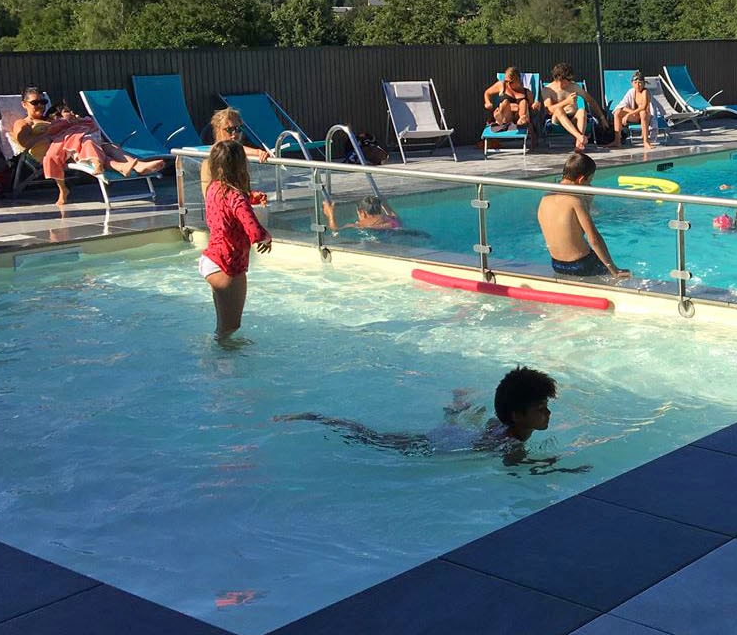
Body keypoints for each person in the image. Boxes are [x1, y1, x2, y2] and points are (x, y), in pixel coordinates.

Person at [276, 367, 588, 473]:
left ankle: (457, 405)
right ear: (518, 416)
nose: (548, 413)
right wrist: (558, 466)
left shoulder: (503, 426)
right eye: (541, 408)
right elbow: (514, 465)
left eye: (546, 407)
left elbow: (489, 427)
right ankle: (317, 418)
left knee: (452, 422)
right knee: (370, 438)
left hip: (451, 437)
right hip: (431, 447)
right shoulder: (513, 444)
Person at [10, 88, 167, 205]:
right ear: (24, 104)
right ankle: (127, 166)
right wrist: (48, 133)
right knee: (89, 145)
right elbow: (25, 143)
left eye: (43, 102)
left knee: (109, 147)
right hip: (57, 152)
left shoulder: (51, 118)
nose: (40, 105)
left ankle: (137, 165)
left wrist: (71, 121)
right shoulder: (23, 123)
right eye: (35, 102)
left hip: (73, 143)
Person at [201, 140, 271, 342]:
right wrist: (267, 238)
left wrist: (252, 198)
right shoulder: (237, 198)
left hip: (212, 260)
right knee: (230, 328)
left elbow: (228, 205)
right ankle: (218, 361)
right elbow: (255, 231)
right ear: (241, 165)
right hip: (228, 266)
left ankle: (217, 356)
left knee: (223, 328)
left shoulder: (213, 188)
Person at [538, 152, 630, 279]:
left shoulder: (546, 197)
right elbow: (594, 239)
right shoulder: (575, 200)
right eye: (589, 181)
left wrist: (587, 201)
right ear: (581, 179)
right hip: (581, 264)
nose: (590, 185)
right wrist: (614, 270)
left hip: (557, 264)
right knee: (626, 276)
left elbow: (573, 233)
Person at [200, 107, 271, 198]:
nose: (234, 133)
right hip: (221, 203)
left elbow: (241, 192)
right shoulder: (213, 156)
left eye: (237, 129)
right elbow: (210, 197)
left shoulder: (237, 154)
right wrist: (257, 152)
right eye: (229, 129)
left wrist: (251, 196)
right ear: (218, 130)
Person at [540, 63, 591, 152]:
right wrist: (567, 101)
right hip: (557, 120)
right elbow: (549, 110)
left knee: (582, 111)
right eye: (568, 79)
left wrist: (602, 117)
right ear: (560, 78)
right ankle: (580, 137)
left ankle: (579, 143)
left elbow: (590, 100)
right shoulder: (547, 90)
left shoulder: (574, 86)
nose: (570, 81)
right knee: (559, 110)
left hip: (573, 118)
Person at [610, 72, 655, 149]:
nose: (638, 85)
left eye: (640, 83)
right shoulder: (631, 92)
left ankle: (646, 141)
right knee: (617, 112)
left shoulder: (645, 92)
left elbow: (644, 107)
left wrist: (628, 114)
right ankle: (617, 141)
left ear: (644, 83)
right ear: (632, 84)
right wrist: (630, 112)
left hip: (646, 117)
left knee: (643, 113)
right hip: (636, 116)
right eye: (635, 83)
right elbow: (622, 106)